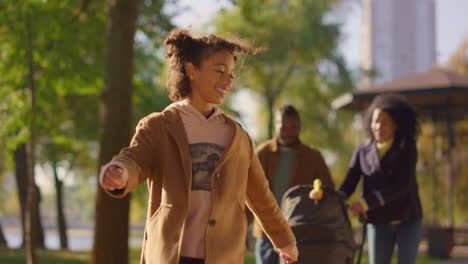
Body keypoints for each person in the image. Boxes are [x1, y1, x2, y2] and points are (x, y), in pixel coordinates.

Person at [98, 29, 298, 264]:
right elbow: (134, 160)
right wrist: (120, 172)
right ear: (192, 70)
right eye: (219, 71)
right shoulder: (159, 126)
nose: (227, 80)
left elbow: (260, 196)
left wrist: (285, 240)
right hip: (171, 255)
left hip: (223, 256)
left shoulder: (237, 136)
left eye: (231, 74)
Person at [338, 93, 423, 264]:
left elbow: (402, 186)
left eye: (385, 122)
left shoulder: (407, 149)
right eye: (375, 121)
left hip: (407, 218)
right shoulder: (362, 151)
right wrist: (336, 199)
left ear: (396, 125)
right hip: (378, 220)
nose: (378, 126)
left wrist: (365, 203)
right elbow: (349, 184)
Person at [253, 104, 335, 264]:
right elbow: (249, 192)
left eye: (294, 127)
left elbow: (329, 190)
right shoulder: (262, 154)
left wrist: (319, 194)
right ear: (276, 125)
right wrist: (241, 229)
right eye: (284, 126)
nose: (289, 131)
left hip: (299, 232)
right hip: (266, 232)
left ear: (300, 127)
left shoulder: (313, 156)